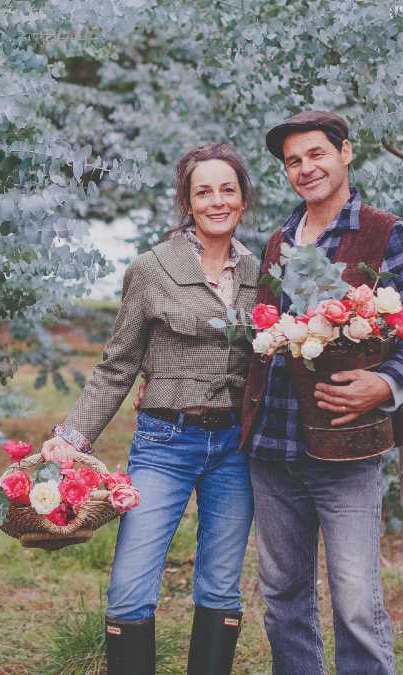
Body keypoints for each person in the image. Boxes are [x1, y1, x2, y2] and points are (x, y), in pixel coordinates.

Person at [241, 110, 403, 674]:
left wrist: (385, 383)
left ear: (345, 153)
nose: (305, 169)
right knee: (283, 598)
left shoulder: (384, 232)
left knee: (356, 603)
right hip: (273, 446)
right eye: (293, 162)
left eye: (316, 155)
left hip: (346, 446)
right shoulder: (278, 243)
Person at [41, 143, 259, 675]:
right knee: (131, 585)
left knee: (221, 584)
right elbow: (118, 365)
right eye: (203, 191)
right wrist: (72, 437)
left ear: (243, 199)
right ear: (187, 201)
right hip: (166, 442)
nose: (216, 201)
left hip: (235, 447)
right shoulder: (151, 269)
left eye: (227, 189)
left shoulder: (259, 271)